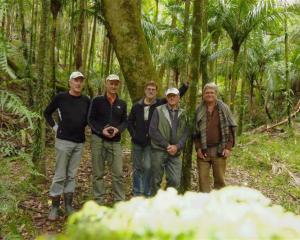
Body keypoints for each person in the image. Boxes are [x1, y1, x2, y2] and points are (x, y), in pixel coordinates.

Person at [128, 81, 189, 197]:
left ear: (156, 92)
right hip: (139, 142)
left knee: (147, 167)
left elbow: (175, 96)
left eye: (153, 90)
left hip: (151, 143)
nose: (151, 91)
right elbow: (129, 121)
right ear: (145, 91)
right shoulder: (137, 106)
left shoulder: (159, 104)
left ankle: (147, 193)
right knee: (137, 168)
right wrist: (133, 134)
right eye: (148, 89)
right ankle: (137, 193)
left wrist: (185, 86)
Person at [44, 71, 90, 220]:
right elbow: (47, 113)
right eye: (75, 80)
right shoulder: (60, 98)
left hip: (79, 142)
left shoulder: (86, 100)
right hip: (63, 141)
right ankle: (55, 207)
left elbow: (90, 119)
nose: (78, 83)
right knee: (59, 175)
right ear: (70, 82)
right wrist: (55, 127)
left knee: (71, 175)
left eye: (80, 81)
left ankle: (69, 205)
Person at [88, 74, 127, 204]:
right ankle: (99, 201)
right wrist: (101, 130)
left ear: (118, 85)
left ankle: (119, 201)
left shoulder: (122, 103)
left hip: (115, 141)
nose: (114, 86)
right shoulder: (97, 100)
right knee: (98, 173)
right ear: (106, 84)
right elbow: (90, 119)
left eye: (116, 83)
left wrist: (118, 129)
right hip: (98, 140)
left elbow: (125, 121)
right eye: (111, 83)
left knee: (118, 173)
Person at [194, 83, 237, 193]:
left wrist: (228, 147)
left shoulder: (224, 108)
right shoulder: (199, 109)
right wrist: (198, 148)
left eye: (212, 92)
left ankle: (219, 204)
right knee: (203, 181)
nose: (209, 94)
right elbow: (195, 132)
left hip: (219, 150)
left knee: (220, 180)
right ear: (203, 94)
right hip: (204, 151)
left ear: (216, 94)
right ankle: (205, 204)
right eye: (207, 92)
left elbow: (231, 128)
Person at [149, 87, 189, 195]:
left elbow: (186, 132)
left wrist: (177, 146)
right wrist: (167, 145)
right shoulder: (158, 110)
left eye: (174, 96)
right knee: (155, 180)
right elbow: (152, 131)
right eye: (169, 96)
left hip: (175, 152)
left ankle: (168, 203)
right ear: (166, 97)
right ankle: (154, 204)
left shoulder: (183, 113)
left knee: (175, 181)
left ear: (178, 97)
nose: (172, 98)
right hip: (159, 150)